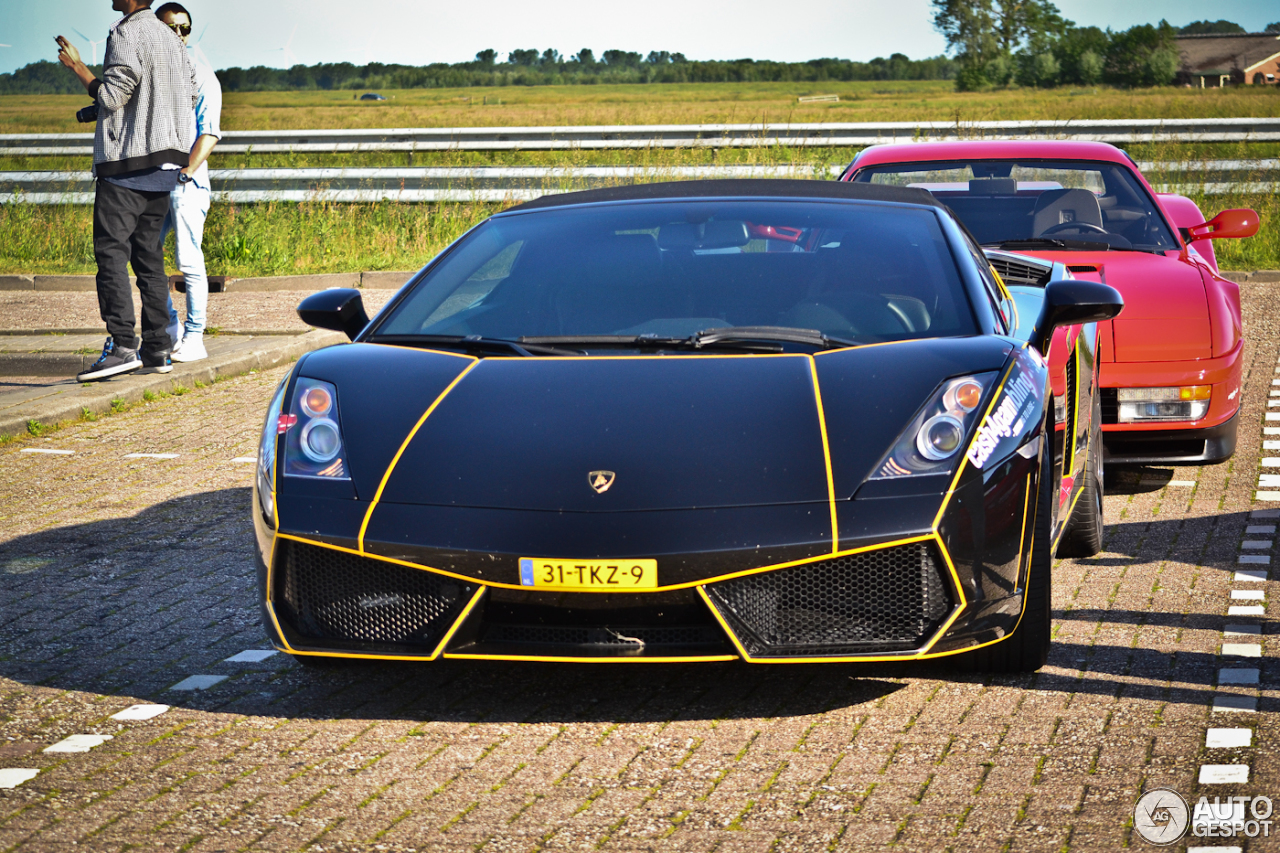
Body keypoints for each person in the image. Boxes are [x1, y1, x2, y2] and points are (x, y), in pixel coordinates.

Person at [56, 0, 196, 381]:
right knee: (149, 259)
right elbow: (190, 92)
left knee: (111, 254)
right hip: (165, 166)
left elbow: (112, 96)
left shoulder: (126, 31)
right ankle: (157, 350)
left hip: (126, 166)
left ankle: (121, 346)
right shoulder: (170, 38)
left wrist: (78, 68)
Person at [156, 2, 220, 363]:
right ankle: (172, 327)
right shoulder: (153, 72)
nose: (179, 35)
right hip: (154, 179)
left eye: (185, 29)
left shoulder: (201, 74)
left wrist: (185, 173)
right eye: (171, 28)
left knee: (188, 259)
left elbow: (209, 134)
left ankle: (195, 336)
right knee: (145, 254)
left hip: (185, 181)